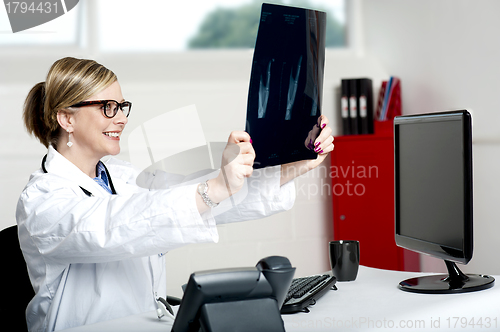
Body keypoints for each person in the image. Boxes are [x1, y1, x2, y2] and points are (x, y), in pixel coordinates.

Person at [16, 57, 334, 332]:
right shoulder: (42, 200)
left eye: (123, 106)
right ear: (66, 118)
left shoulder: (122, 175)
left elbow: (189, 196)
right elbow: (110, 226)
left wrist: (293, 164)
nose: (122, 118)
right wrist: (217, 186)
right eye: (108, 107)